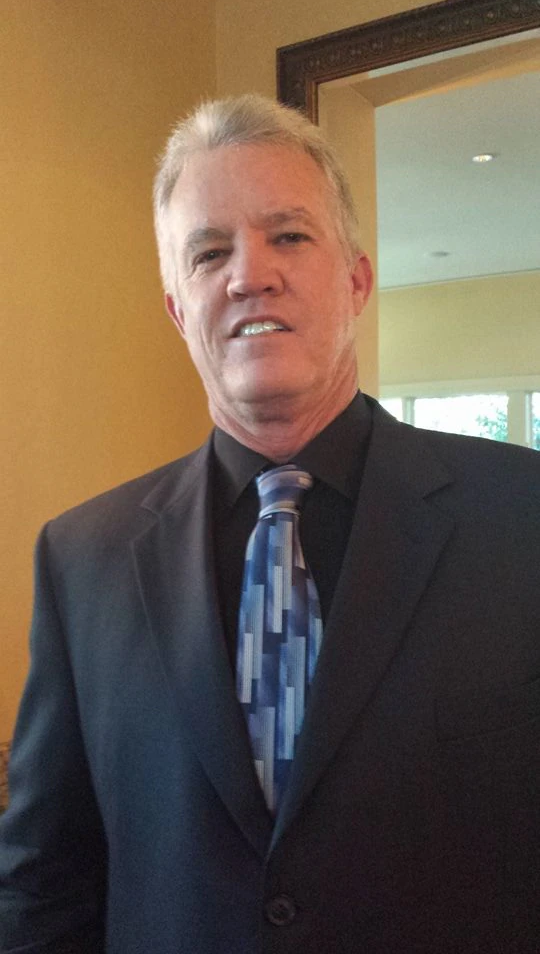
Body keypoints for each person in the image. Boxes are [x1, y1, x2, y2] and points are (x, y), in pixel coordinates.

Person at [1, 93, 539, 954]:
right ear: (180, 309)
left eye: (288, 235)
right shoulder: (81, 561)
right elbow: (44, 881)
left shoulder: (521, 519)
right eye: (209, 252)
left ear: (356, 279)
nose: (249, 273)